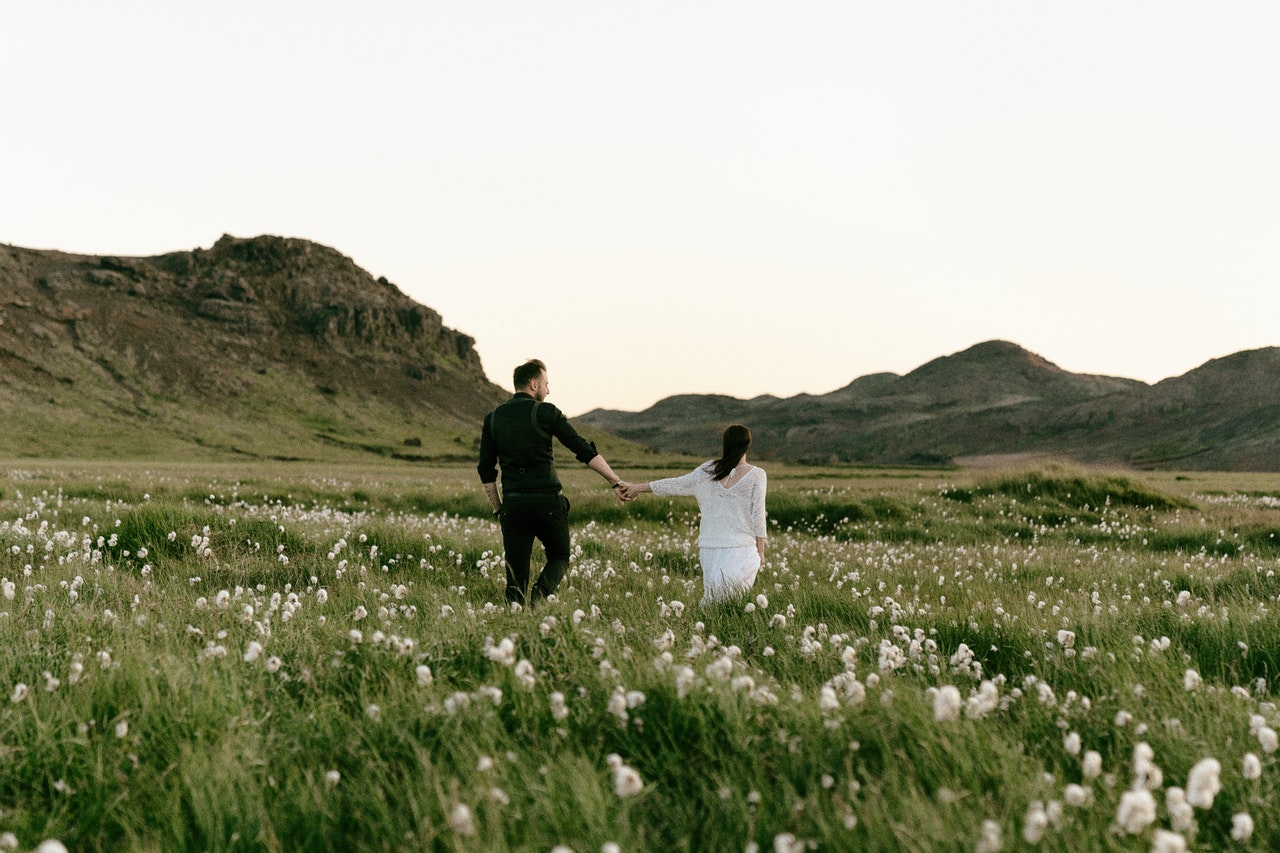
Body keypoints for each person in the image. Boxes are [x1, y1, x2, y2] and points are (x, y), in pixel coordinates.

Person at [478, 359, 628, 607]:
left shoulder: (492, 418)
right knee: (559, 556)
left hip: (514, 505)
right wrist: (615, 481)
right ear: (534, 384)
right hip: (547, 502)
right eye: (546, 384)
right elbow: (581, 448)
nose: (548, 390)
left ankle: (513, 627)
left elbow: (486, 470)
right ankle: (541, 594)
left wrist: (498, 508)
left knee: (515, 579)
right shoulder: (546, 413)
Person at [620, 424, 767, 605]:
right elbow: (758, 516)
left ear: (725, 444)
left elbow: (676, 484)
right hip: (740, 550)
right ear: (748, 445)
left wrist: (639, 488)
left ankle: (705, 629)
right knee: (728, 603)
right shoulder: (756, 474)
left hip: (711, 548)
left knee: (716, 601)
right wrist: (761, 551)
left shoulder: (708, 470)